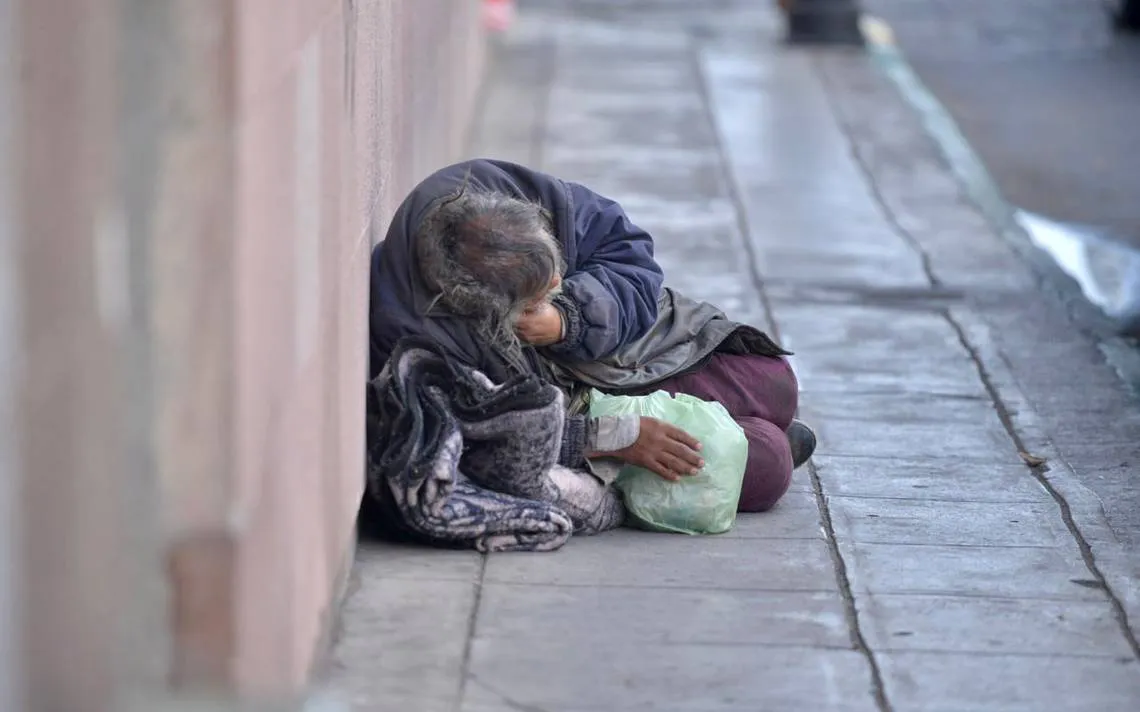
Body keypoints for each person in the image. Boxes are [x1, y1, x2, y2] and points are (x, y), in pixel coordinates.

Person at [369, 158, 815, 513]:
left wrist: (568, 320)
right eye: (536, 299)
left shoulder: (496, 188)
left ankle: (743, 425)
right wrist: (612, 438)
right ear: (491, 313)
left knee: (775, 380)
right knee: (767, 467)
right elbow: (487, 449)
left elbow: (630, 258)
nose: (559, 284)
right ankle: (747, 436)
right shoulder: (422, 348)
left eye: (556, 273)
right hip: (578, 409)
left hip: (613, 349)